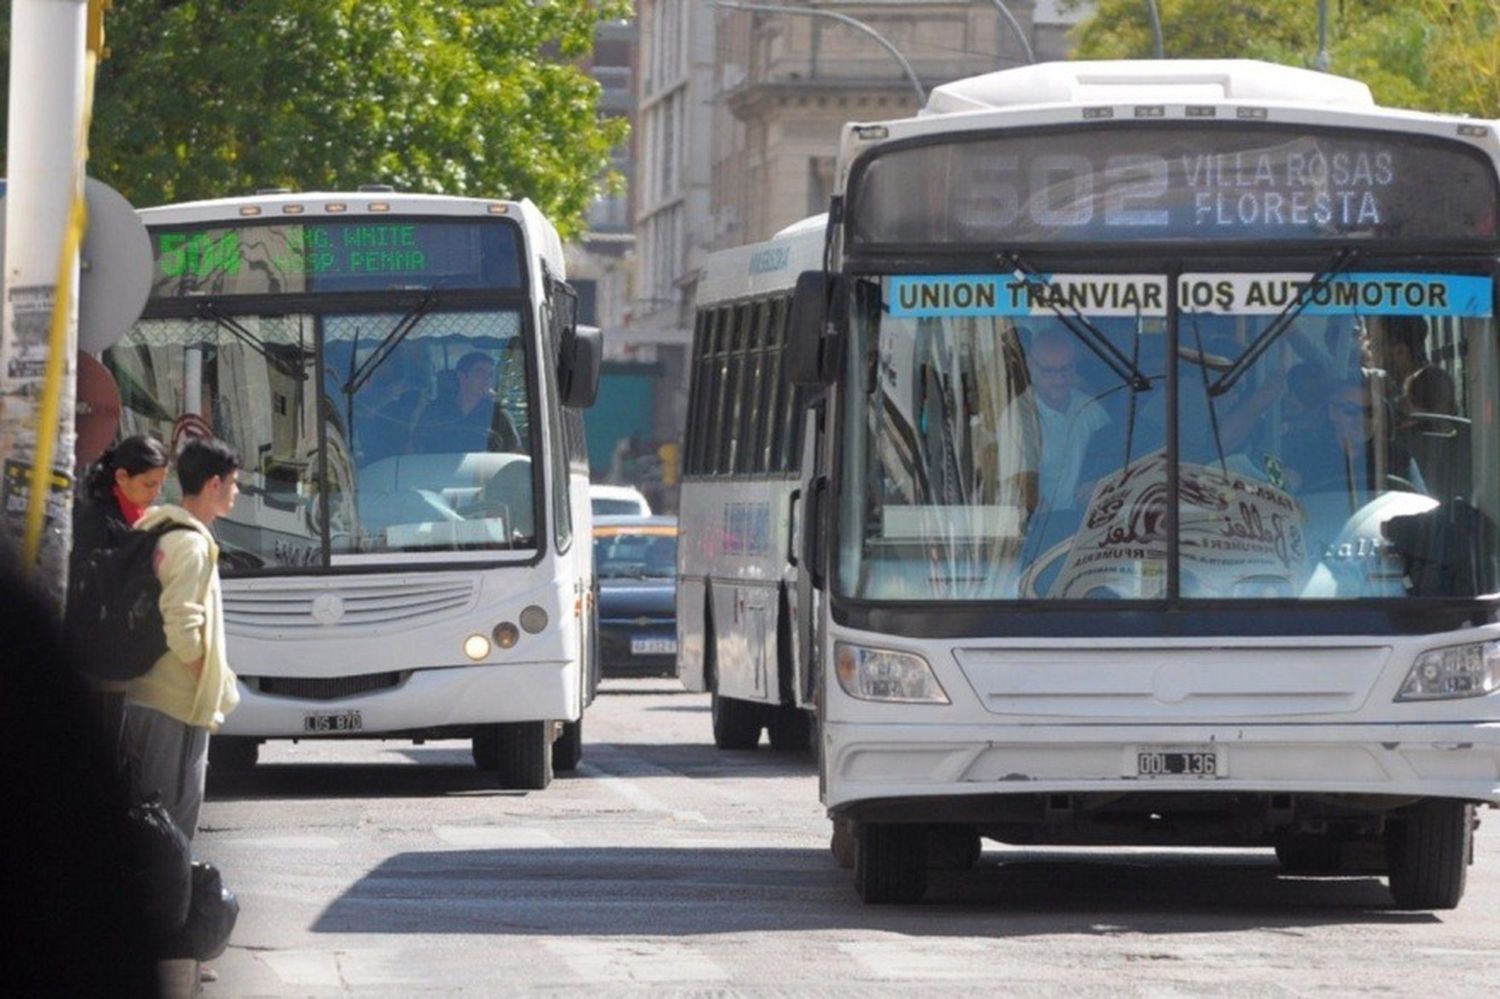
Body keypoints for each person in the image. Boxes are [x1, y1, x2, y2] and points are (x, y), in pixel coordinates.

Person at [122, 436, 242, 845]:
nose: (237, 492)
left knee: (145, 820)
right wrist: (204, 685)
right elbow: (183, 627)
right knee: (171, 829)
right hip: (176, 704)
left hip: (140, 695)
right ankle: (164, 908)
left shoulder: (155, 528)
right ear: (214, 485)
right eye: (234, 483)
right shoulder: (190, 544)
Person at [68, 435, 171, 744]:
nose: (156, 494)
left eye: (160, 485)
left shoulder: (145, 518)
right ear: (122, 477)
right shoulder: (97, 521)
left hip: (129, 659)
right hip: (98, 663)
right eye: (149, 484)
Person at [1026, 331, 1110, 512]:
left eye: (1066, 369)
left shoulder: (1092, 410)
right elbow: (1019, 487)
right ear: (1031, 366)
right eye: (1049, 371)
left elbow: (1113, 461)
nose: (1060, 380)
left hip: (1090, 521)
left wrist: (1098, 484)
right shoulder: (1018, 419)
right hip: (1040, 529)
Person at [411, 350, 521, 453]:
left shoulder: (498, 414)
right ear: (462, 376)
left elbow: (514, 454)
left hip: (486, 472)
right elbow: (415, 448)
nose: (487, 379)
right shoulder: (436, 411)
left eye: (490, 375)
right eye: (480, 372)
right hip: (440, 471)